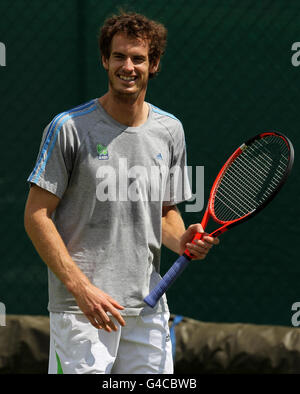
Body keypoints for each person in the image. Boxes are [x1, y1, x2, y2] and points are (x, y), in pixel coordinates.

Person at [24, 11, 219, 374]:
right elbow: (36, 216)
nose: (127, 66)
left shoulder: (170, 130)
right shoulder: (68, 128)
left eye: (138, 58)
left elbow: (163, 213)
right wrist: (81, 290)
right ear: (104, 59)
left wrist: (185, 239)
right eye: (118, 56)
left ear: (154, 64)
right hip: (81, 314)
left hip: (147, 310)